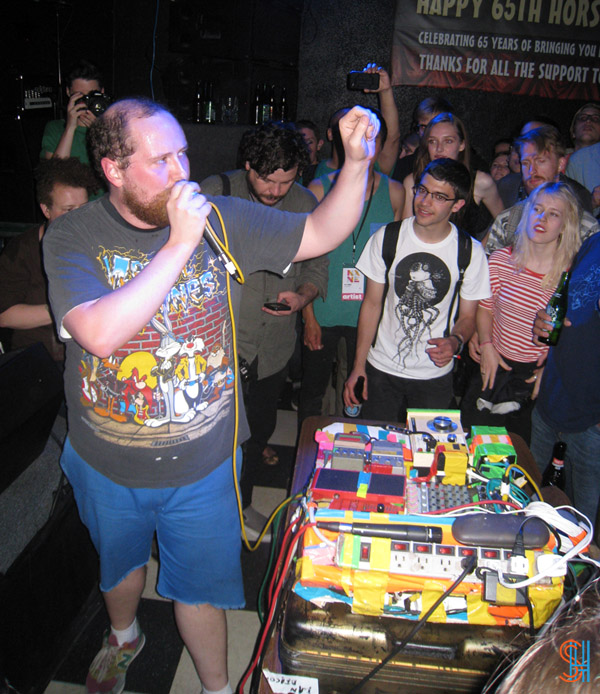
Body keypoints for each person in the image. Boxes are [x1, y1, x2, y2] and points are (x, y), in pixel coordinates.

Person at [42, 97, 378, 694]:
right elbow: (97, 333)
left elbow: (322, 230)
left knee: (199, 589)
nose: (181, 172)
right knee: (119, 569)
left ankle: (219, 689)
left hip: (204, 466)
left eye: (184, 154)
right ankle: (123, 635)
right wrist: (179, 244)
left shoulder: (217, 217)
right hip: (106, 462)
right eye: (161, 159)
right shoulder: (74, 234)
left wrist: (356, 163)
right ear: (114, 171)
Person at [199, 121, 327, 539]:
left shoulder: (305, 201)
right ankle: (202, 515)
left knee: (258, 431)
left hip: (271, 347)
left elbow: (317, 266)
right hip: (216, 345)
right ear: (248, 165)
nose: (275, 191)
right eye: (267, 181)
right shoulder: (214, 193)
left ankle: (243, 504)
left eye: (285, 182)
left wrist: (303, 297)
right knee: (209, 441)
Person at [343, 159, 490, 422]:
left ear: (457, 205)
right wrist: (358, 366)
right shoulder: (387, 237)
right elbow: (372, 304)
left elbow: (468, 317)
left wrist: (455, 341)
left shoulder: (470, 251)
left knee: (427, 452)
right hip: (381, 367)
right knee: (379, 447)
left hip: (433, 374)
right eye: (422, 190)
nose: (424, 201)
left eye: (438, 196)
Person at [298, 110, 405, 422]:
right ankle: (310, 450)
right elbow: (304, 259)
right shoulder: (319, 188)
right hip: (324, 307)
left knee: (359, 391)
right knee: (314, 390)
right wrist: (308, 316)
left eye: (374, 139)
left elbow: (396, 260)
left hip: (369, 313)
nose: (365, 145)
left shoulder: (396, 192)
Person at [460, 182, 582, 444]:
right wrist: (486, 344)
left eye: (553, 214)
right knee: (473, 441)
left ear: (566, 224)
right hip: (494, 362)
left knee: (521, 456)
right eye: (537, 209)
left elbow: (573, 334)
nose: (542, 218)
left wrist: (550, 367)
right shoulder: (503, 259)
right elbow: (486, 308)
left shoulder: (571, 275)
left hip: (535, 374)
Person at [531, 230, 600, 532]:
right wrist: (542, 325)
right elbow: (567, 315)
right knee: (532, 508)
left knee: (580, 528)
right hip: (551, 402)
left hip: (591, 422)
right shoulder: (594, 241)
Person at [0, 157, 99, 363]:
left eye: (83, 207)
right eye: (69, 210)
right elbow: (4, 315)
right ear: (46, 210)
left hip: (88, 358)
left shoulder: (98, 243)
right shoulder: (22, 250)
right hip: (39, 362)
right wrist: (65, 309)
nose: (79, 217)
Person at [486, 126, 598, 254]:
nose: (531, 170)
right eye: (526, 163)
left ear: (560, 164)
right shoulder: (508, 221)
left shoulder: (586, 227)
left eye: (540, 161)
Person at [402, 112, 504, 242]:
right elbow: (406, 233)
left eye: (448, 141)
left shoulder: (480, 181)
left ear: (462, 144)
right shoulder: (412, 181)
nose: (439, 148)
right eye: (432, 141)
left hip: (461, 260)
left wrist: (480, 250)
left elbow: (504, 221)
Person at [315, 63, 400, 179]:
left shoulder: (372, 168)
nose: (349, 127)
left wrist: (385, 91)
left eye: (355, 124)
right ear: (330, 133)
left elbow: (392, 138)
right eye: (343, 124)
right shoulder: (312, 173)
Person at [41, 59, 105, 166]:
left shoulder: (112, 129)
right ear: (68, 92)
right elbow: (54, 175)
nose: (86, 101)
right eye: (80, 95)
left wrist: (98, 132)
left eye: (91, 95)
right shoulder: (55, 129)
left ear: (102, 93)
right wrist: (70, 128)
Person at [295, 119, 324, 185]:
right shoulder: (286, 174)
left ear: (319, 145)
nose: (305, 147)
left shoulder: (324, 175)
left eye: (309, 142)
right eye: (300, 142)